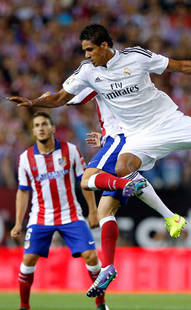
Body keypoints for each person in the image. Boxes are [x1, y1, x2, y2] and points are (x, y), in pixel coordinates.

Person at [6, 23, 191, 297]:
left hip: (169, 121)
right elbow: (59, 97)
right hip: (137, 136)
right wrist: (33, 103)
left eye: (90, 50)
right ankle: (154, 219)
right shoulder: (87, 72)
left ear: (104, 46)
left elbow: (182, 66)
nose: (86, 55)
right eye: (84, 51)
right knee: (121, 169)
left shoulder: (137, 57)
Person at [67, 88, 184, 297]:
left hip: (117, 140)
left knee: (86, 181)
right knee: (105, 212)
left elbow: (70, 99)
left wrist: (36, 101)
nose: (89, 56)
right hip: (132, 141)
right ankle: (108, 266)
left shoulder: (99, 76)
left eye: (90, 52)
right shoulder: (129, 82)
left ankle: (125, 184)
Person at [10, 112, 112, 310]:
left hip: (71, 214)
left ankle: (101, 305)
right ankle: (23, 307)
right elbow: (22, 191)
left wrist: (92, 210)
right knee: (28, 258)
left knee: (91, 256)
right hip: (40, 216)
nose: (41, 128)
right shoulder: (25, 159)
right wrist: (18, 222)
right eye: (37, 125)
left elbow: (84, 182)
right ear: (33, 131)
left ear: (52, 128)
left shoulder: (70, 151)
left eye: (44, 124)